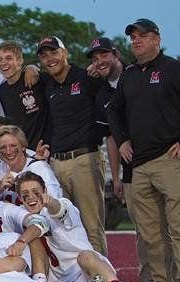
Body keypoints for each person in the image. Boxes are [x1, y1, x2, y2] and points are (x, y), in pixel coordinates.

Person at [108, 18, 180, 282]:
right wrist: (123, 140)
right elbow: (114, 112)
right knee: (149, 231)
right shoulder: (129, 75)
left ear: (156, 39)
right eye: (132, 38)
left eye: (142, 36)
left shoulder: (175, 69)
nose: (136, 41)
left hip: (170, 158)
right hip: (138, 164)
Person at [86, 37, 163, 282]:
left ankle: (178, 280)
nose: (100, 62)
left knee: (171, 224)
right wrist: (116, 177)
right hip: (132, 167)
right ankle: (152, 281)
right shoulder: (102, 93)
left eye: (104, 56)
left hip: (159, 157)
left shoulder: (136, 76)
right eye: (95, 59)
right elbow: (110, 138)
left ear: (116, 54)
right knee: (143, 228)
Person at [15, 171, 138, 282]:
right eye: (25, 193)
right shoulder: (24, 218)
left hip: (85, 270)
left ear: (45, 191)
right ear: (20, 198)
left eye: (35, 192)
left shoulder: (61, 204)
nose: (31, 196)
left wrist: (50, 202)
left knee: (85, 256)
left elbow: (58, 210)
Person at [36, 36, 110, 256]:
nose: (50, 59)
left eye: (54, 52)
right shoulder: (47, 84)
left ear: (64, 52)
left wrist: (100, 68)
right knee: (65, 227)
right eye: (44, 55)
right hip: (57, 163)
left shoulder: (86, 77)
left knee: (91, 226)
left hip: (84, 159)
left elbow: (114, 83)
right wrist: (30, 68)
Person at [0, 41, 53, 150]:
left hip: (47, 150)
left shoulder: (36, 79)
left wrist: (32, 67)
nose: (3, 63)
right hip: (24, 154)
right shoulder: (1, 91)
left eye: (8, 58)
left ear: (20, 61)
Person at [0, 125, 62, 205]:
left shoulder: (39, 168)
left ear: (23, 146)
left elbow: (54, 200)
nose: (8, 151)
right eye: (3, 147)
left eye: (13, 146)